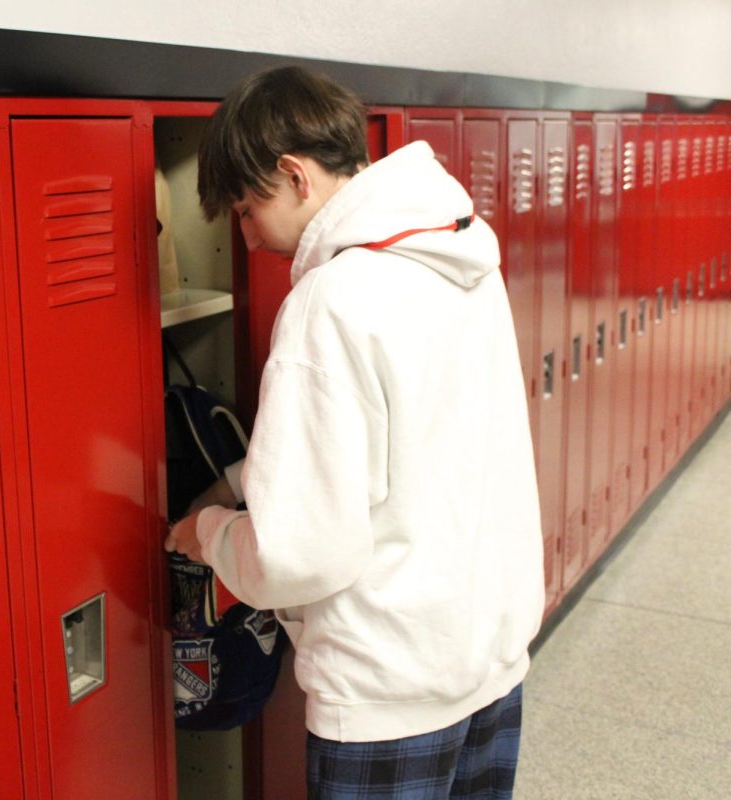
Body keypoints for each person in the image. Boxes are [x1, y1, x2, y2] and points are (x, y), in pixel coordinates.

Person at [163, 66, 545, 799]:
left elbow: (298, 554)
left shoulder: (331, 302)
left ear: (294, 175)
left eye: (248, 209)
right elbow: (418, 434)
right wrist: (244, 478)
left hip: (388, 693)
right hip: (489, 664)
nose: (247, 239)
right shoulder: (463, 252)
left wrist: (208, 532)